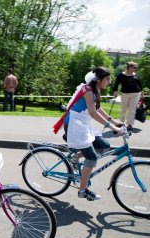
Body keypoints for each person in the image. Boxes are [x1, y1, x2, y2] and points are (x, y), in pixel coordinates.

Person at [55, 67, 123, 201]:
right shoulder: (88, 90)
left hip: (82, 124)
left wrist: (114, 121)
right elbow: (93, 113)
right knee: (92, 157)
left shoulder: (94, 90)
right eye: (107, 79)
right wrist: (113, 127)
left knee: (103, 146)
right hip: (74, 125)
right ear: (98, 79)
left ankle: (74, 159)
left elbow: (98, 108)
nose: (109, 82)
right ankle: (82, 190)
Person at [113, 61, 144, 131]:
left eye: (136, 67)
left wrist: (142, 93)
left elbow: (140, 85)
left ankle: (130, 124)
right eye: (134, 67)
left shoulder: (136, 75)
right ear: (129, 67)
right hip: (125, 94)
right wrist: (115, 91)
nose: (135, 69)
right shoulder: (121, 75)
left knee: (132, 110)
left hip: (136, 94)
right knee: (123, 109)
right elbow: (116, 83)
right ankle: (121, 123)